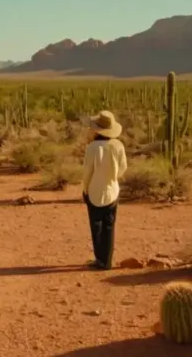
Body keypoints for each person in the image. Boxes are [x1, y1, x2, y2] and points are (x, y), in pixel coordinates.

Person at [81, 110, 128, 270]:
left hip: (94, 190)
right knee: (109, 226)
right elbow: (123, 168)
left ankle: (99, 259)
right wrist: (114, 176)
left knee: (96, 226)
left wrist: (85, 189)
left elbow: (87, 171)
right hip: (112, 191)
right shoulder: (118, 145)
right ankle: (107, 261)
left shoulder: (92, 148)